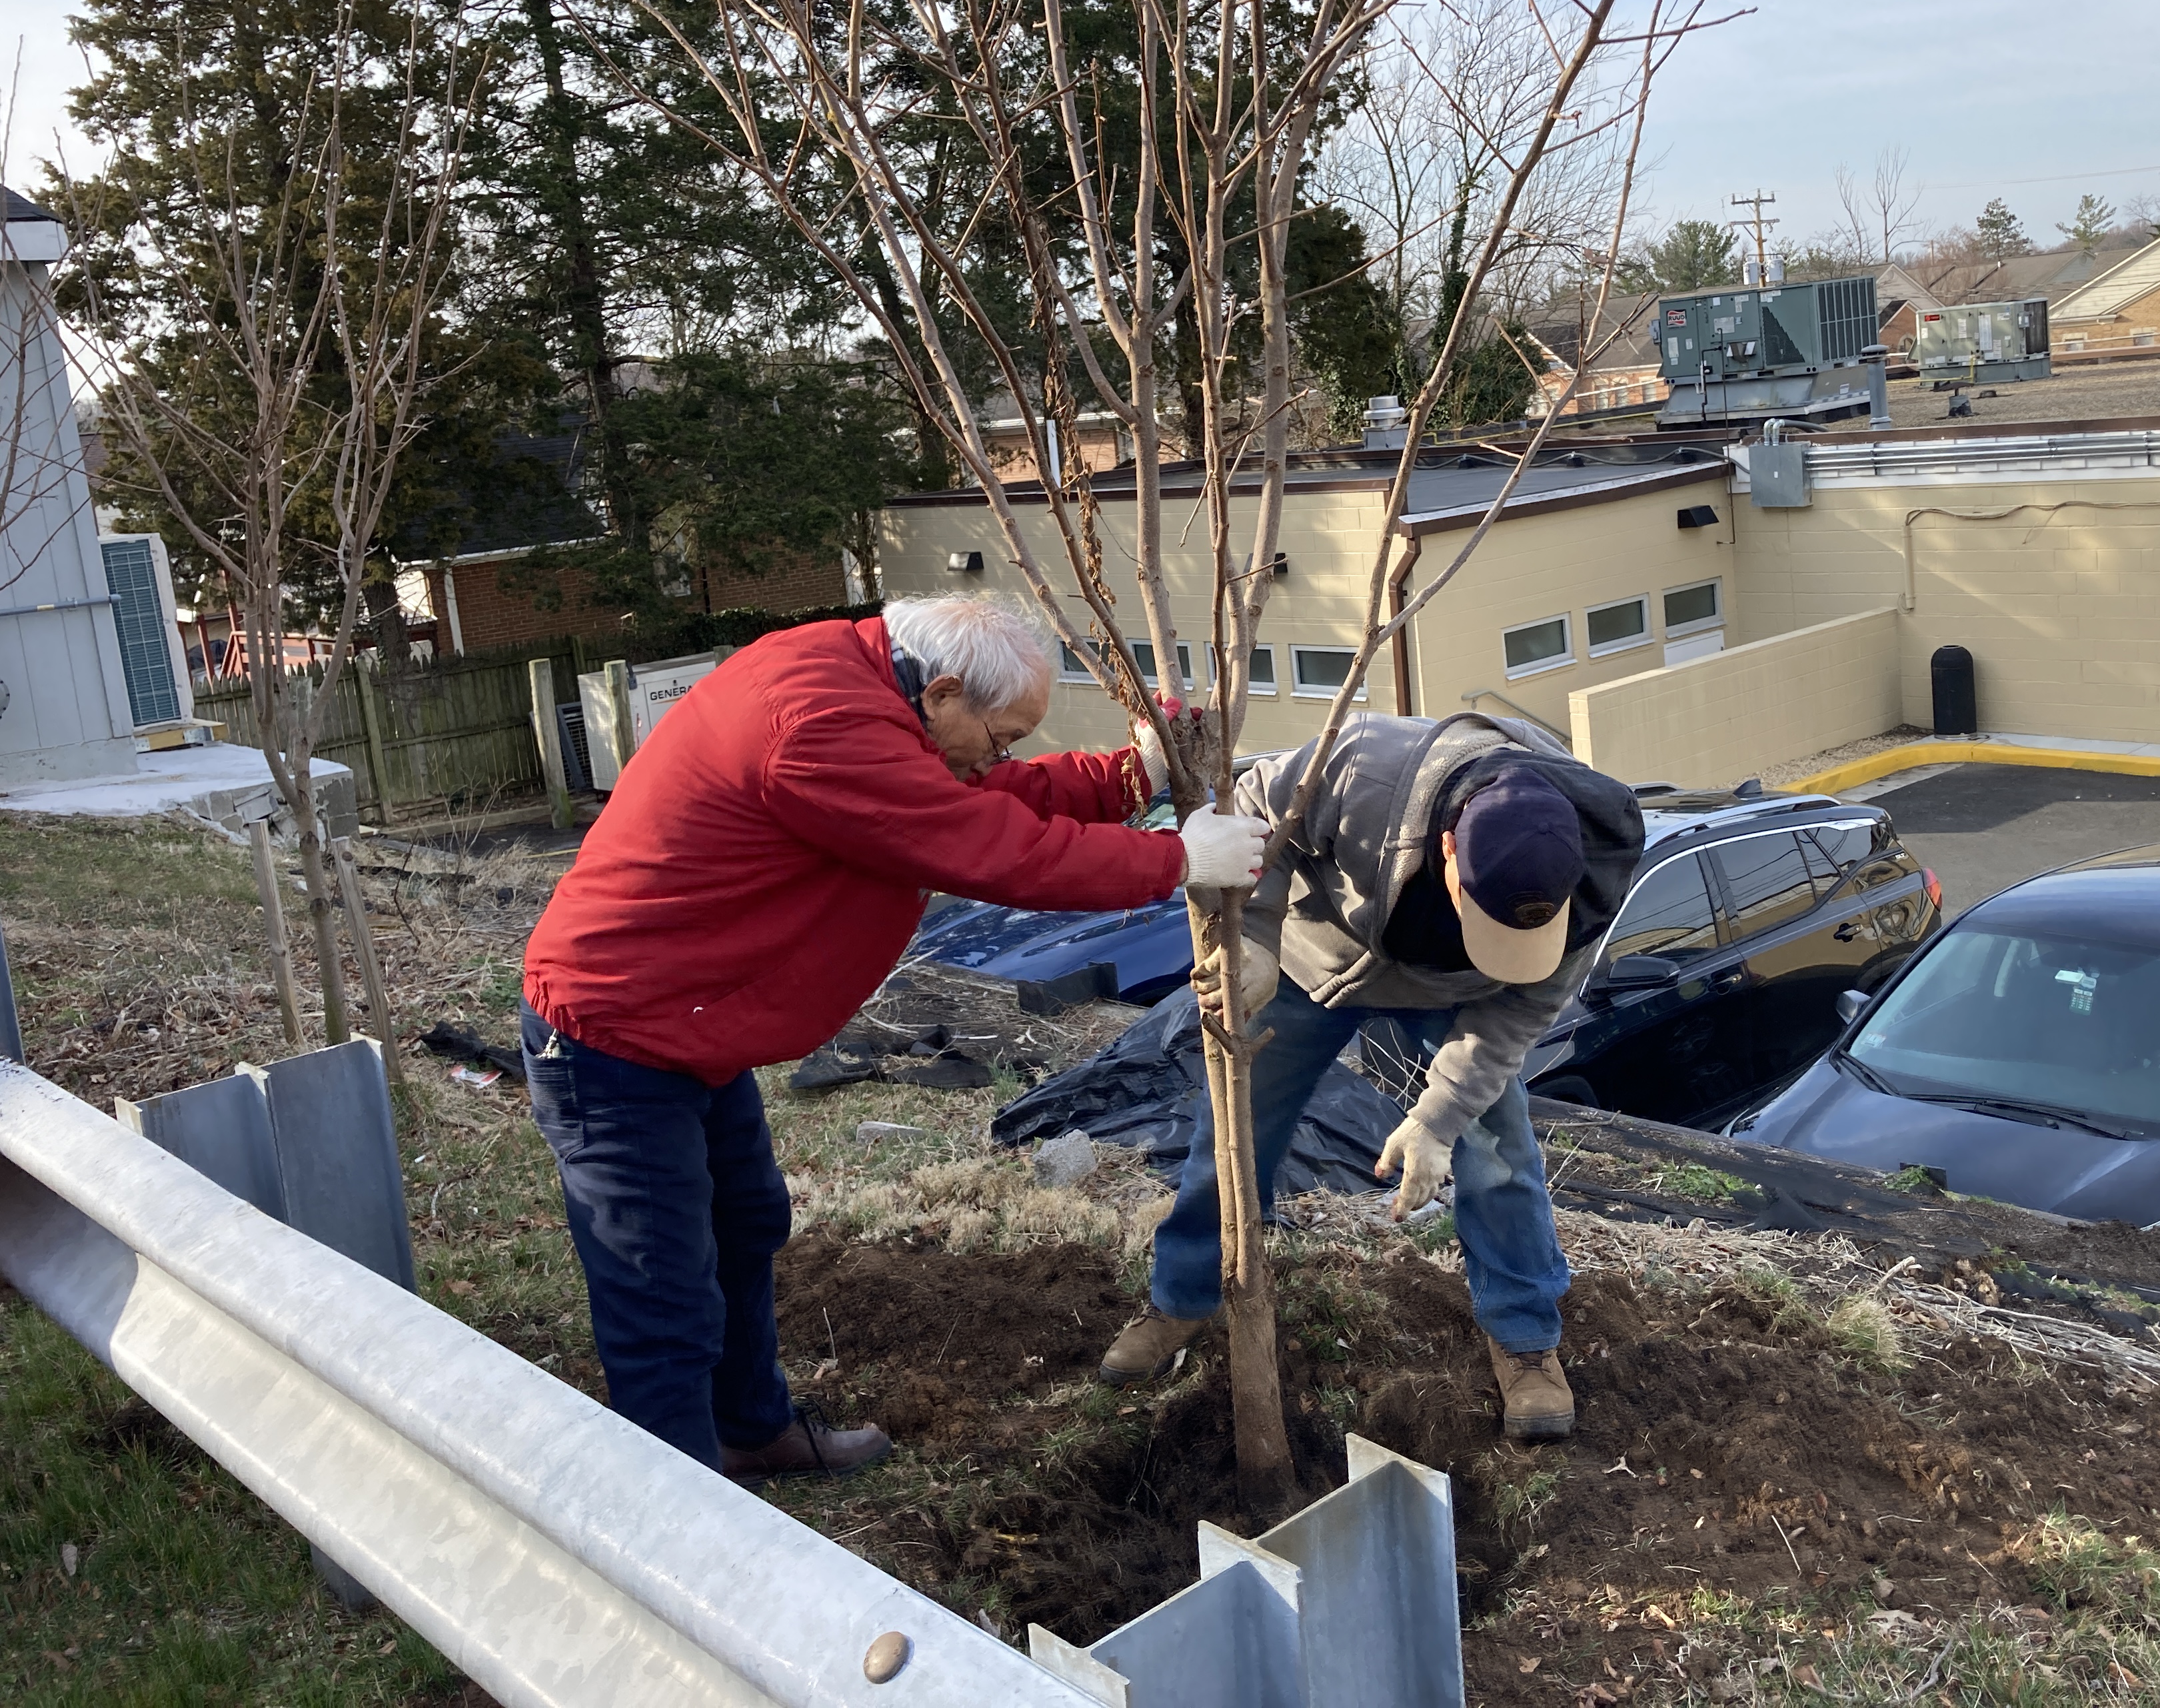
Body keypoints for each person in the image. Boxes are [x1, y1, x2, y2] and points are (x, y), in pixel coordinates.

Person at [519, 595, 1268, 1482]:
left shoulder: (867, 685)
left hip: (688, 1023)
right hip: (615, 1034)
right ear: (944, 693)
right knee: (660, 1285)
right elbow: (985, 844)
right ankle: (677, 1507)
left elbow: (971, 795)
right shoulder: (819, 726)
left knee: (746, 1220)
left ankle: (751, 1428)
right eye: (1000, 736)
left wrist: (1126, 779)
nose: (999, 757)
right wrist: (1175, 862)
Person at [1098, 712, 1642, 1439]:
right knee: (1233, 1130)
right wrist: (1254, 941)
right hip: (1306, 965)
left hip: (1458, 997)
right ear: (1448, 849)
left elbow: (1516, 1017)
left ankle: (1524, 1338)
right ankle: (1184, 1298)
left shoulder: (1592, 870)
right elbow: (1251, 817)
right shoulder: (1362, 769)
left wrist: (1436, 1121)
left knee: (1498, 1151)